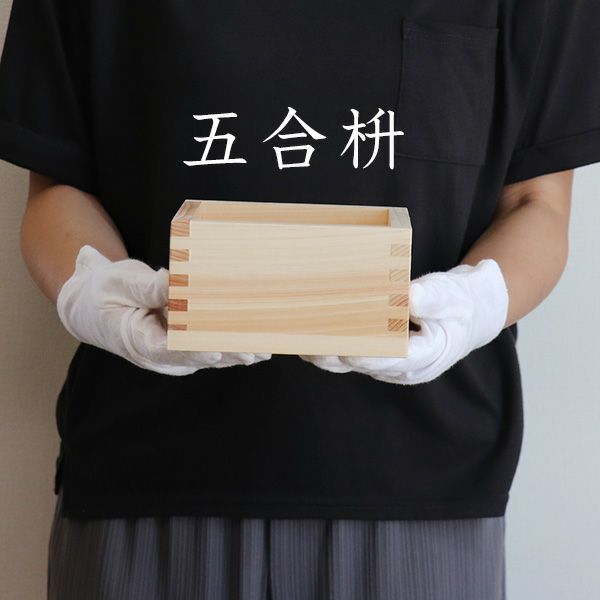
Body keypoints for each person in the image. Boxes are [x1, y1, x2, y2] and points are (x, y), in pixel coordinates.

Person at [0, 0, 599, 598]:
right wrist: (95, 291)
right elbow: (58, 183)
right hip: (144, 473)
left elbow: (537, 203)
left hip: (422, 487)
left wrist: (475, 305)